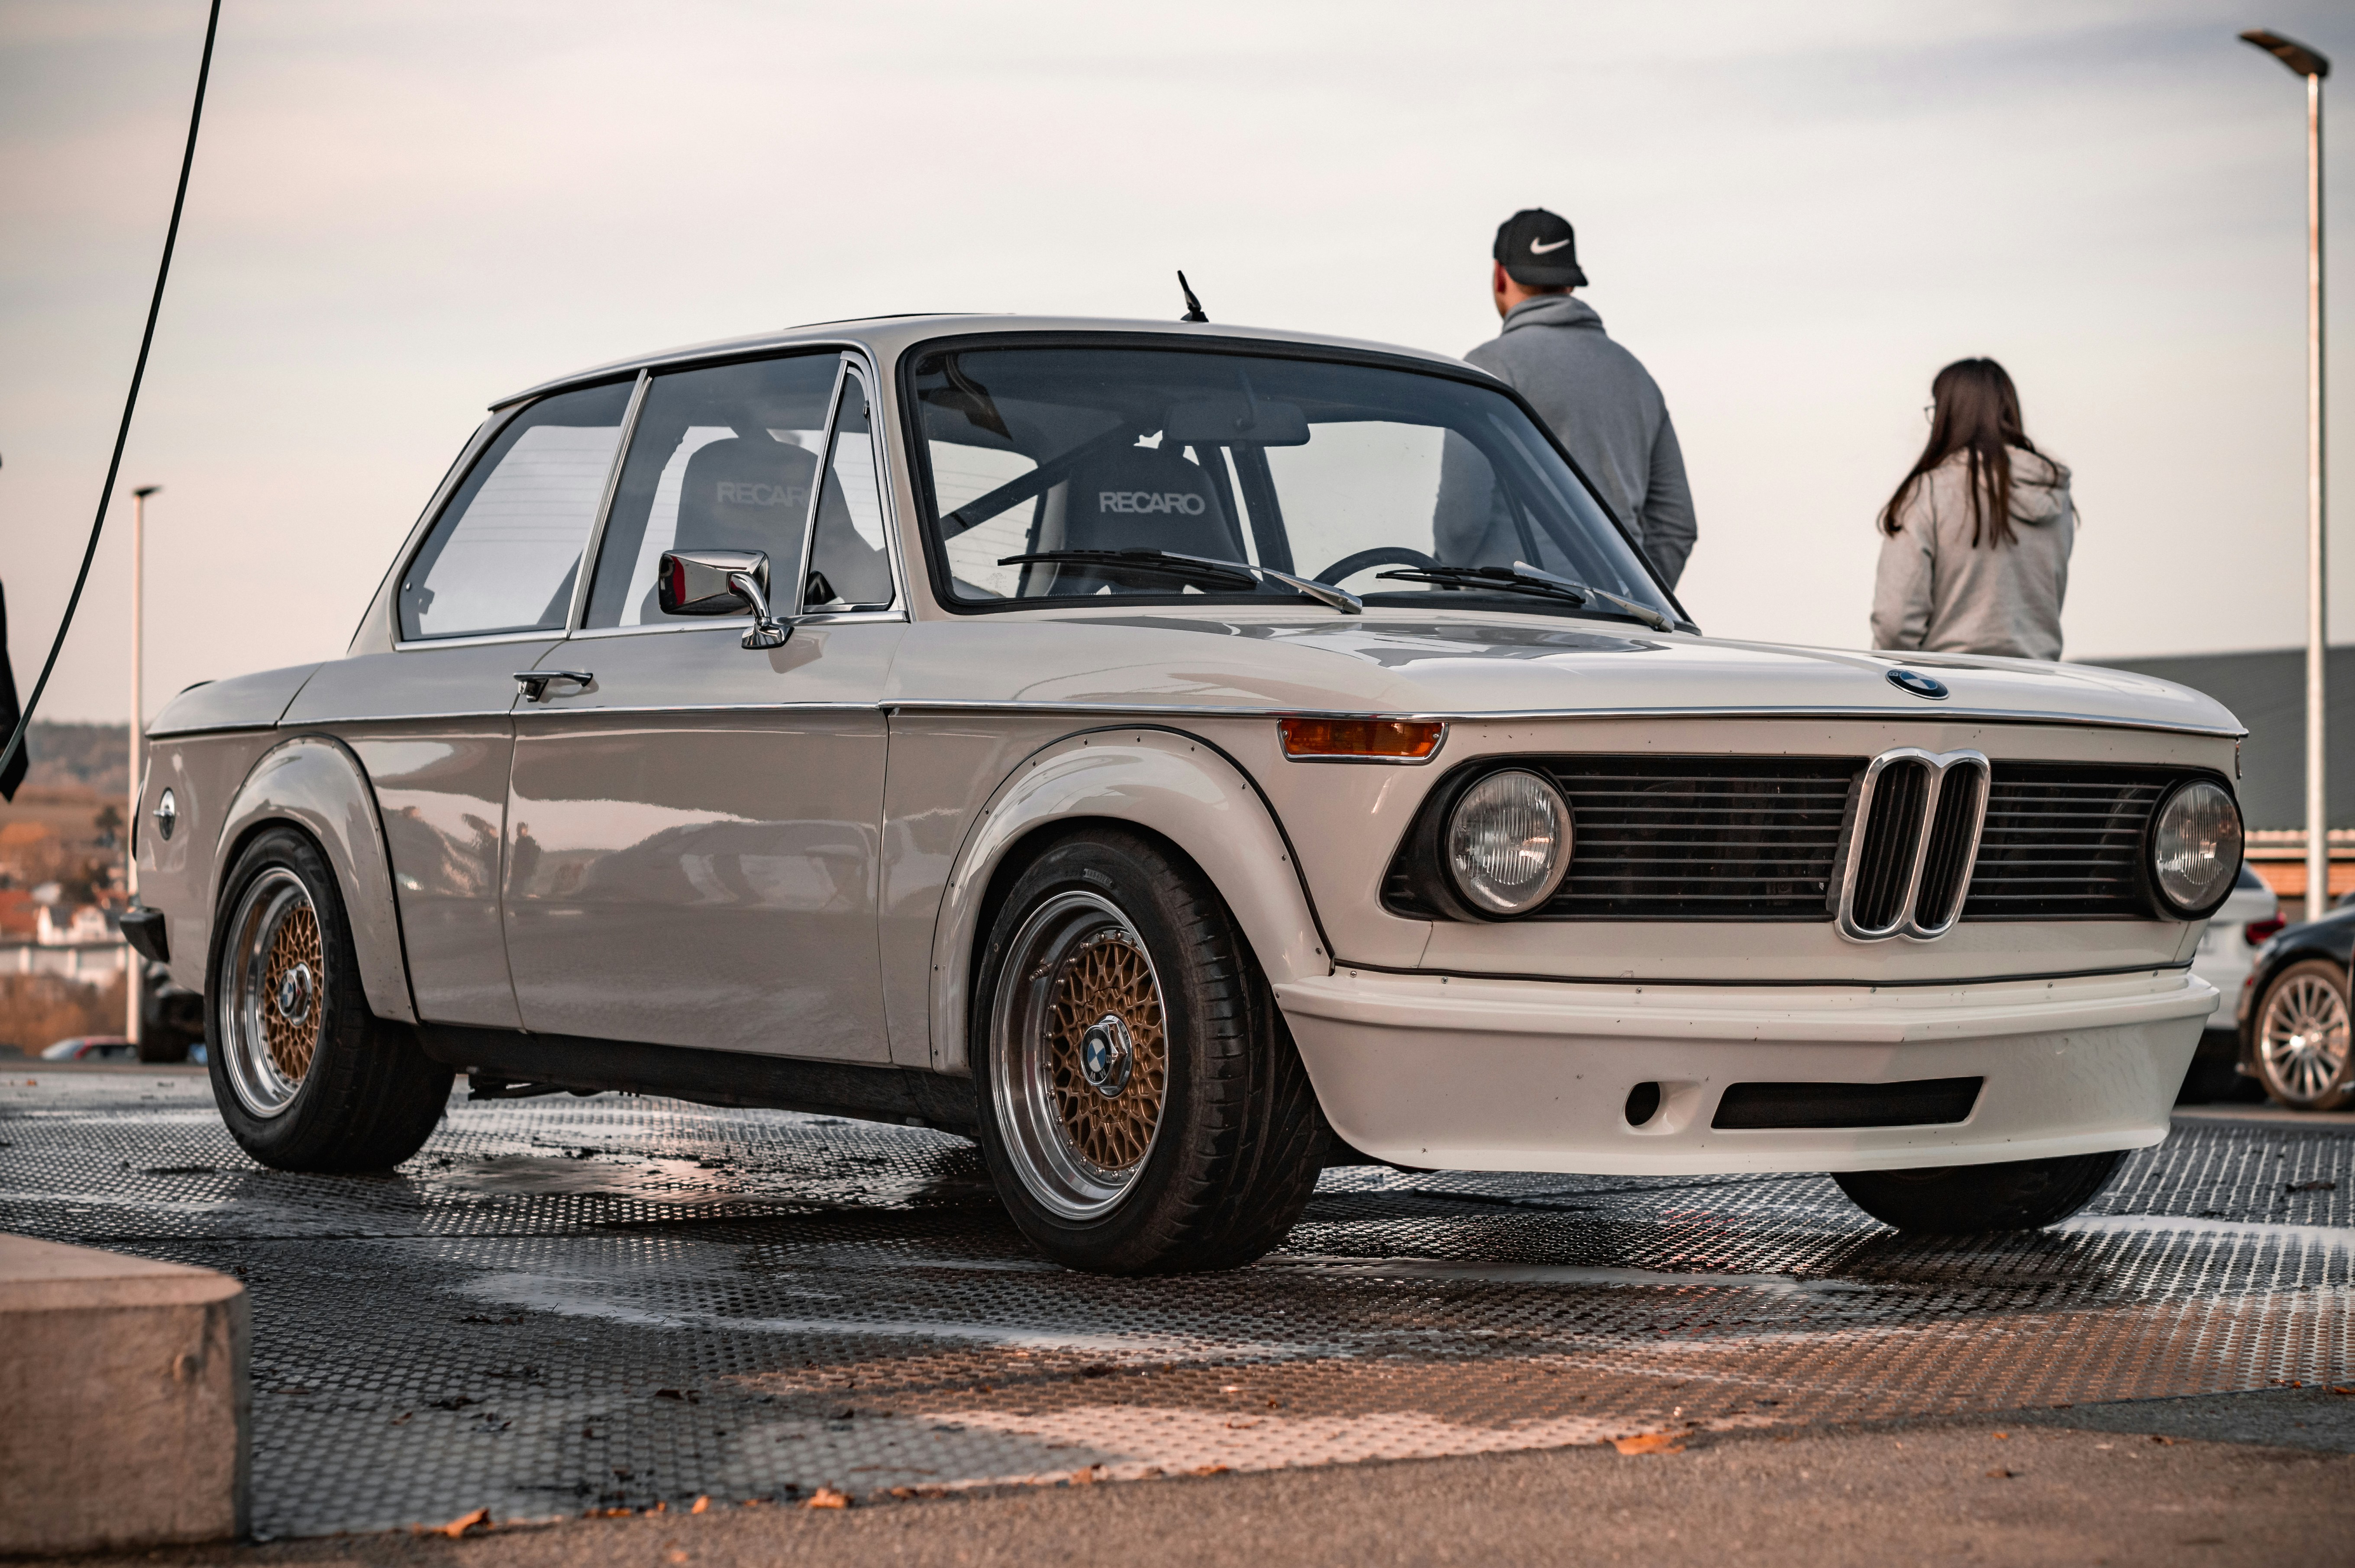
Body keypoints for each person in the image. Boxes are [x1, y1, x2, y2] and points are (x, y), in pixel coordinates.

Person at [1451, 207, 1697, 590]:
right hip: (1615, 628)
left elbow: (1460, 521)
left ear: (1500, 274)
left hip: (1509, 622)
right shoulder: (1635, 375)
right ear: (1569, 282)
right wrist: (1635, 599)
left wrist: (1445, 588)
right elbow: (1675, 523)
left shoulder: (1490, 367)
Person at [1870, 358, 2074, 660]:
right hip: (2040, 692)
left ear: (1947, 416)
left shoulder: (1929, 492)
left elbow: (1895, 621)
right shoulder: (2053, 495)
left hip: (1952, 695)